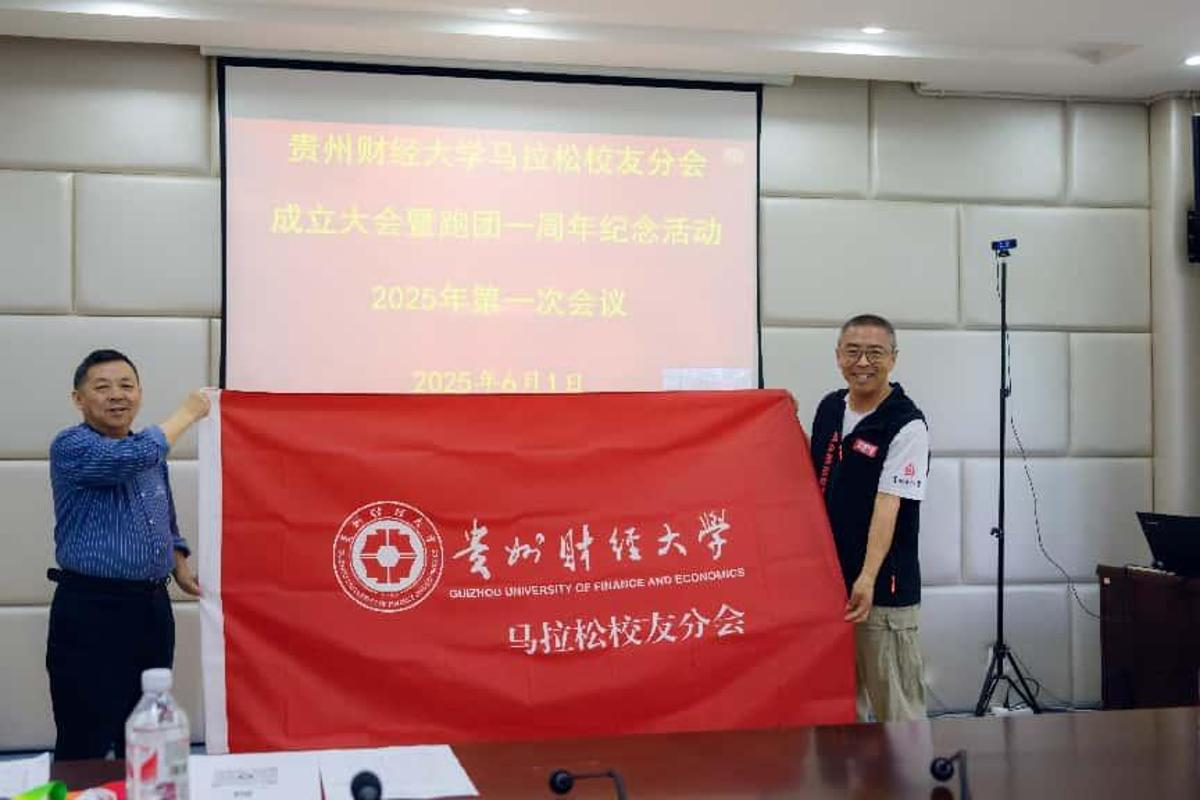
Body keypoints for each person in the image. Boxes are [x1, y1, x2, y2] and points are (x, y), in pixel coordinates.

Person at [46, 348, 210, 759]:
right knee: (85, 732)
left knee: (147, 727)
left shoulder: (147, 451)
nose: (117, 395)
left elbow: (163, 514)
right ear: (78, 399)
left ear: (140, 392)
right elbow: (126, 460)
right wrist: (188, 413)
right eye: (102, 387)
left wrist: (179, 562)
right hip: (92, 610)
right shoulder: (71, 445)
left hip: (151, 607)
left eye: (127, 385)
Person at [809, 314, 930, 722]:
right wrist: (780, 419)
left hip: (882, 590)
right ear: (838, 356)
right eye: (853, 352)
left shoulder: (905, 424)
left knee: (896, 708)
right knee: (843, 708)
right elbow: (817, 468)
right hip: (831, 585)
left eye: (875, 353)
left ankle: (912, 766)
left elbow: (888, 503)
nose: (863, 362)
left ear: (893, 358)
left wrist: (867, 577)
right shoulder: (830, 408)